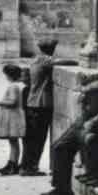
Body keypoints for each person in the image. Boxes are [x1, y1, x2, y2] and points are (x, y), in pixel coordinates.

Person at [43, 46, 98, 195]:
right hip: (87, 118)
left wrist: (93, 120)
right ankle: (61, 188)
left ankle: (68, 187)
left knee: (76, 143)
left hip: (97, 121)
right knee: (59, 147)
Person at [19, 37, 58, 176]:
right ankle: (30, 167)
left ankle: (26, 165)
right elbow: (61, 63)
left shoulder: (35, 60)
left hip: (32, 102)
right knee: (39, 138)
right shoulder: (47, 60)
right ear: (51, 49)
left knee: (31, 138)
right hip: (42, 104)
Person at [0, 60, 26, 173]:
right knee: (13, 142)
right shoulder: (18, 85)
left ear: (9, 75)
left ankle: (12, 164)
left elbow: (12, 101)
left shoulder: (13, 86)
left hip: (12, 116)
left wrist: (0, 103)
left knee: (13, 142)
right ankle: (12, 163)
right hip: (14, 115)